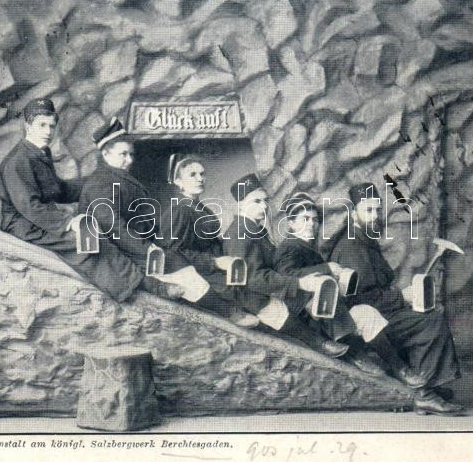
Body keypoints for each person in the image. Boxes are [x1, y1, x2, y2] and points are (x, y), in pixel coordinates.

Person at [0, 98, 179, 302]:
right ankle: (147, 286)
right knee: (88, 242)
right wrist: (67, 223)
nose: (48, 131)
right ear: (27, 126)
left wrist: (97, 179)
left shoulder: (39, 154)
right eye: (41, 125)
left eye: (51, 125)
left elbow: (58, 191)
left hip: (38, 220)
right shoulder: (18, 161)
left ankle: (141, 278)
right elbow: (30, 208)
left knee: (98, 231)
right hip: (22, 225)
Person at [328, 182, 464, 416]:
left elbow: (377, 287)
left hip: (380, 310)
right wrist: (402, 297)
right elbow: (362, 300)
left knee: (427, 315)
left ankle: (429, 384)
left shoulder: (364, 240)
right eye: (368, 210)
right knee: (428, 322)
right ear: (353, 214)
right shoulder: (351, 247)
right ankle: (424, 394)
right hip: (364, 323)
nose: (374, 216)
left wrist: (401, 298)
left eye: (377, 210)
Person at [222, 174, 350, 357]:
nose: (264, 206)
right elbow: (252, 279)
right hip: (252, 296)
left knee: (320, 294)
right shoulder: (238, 234)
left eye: (265, 200)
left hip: (268, 287)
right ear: (241, 204)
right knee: (291, 307)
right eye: (256, 201)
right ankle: (321, 343)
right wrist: (298, 283)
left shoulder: (255, 230)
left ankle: (344, 339)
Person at [273, 192, 390, 378]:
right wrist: (327, 268)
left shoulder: (307, 246)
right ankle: (354, 355)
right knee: (359, 316)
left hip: (323, 306)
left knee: (365, 313)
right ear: (291, 223)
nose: (311, 224)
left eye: (314, 219)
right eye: (305, 219)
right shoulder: (289, 247)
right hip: (306, 311)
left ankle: (386, 363)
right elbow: (287, 276)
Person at [76, 118, 183, 299]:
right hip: (114, 247)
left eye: (131, 154)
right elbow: (112, 225)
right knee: (181, 277)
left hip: (135, 242)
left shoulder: (117, 177)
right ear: (105, 154)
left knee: (182, 263)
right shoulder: (101, 182)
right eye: (123, 154)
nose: (129, 160)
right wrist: (144, 248)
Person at [155, 154, 259, 328]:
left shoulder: (203, 208)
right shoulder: (178, 211)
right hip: (193, 268)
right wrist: (215, 262)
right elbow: (173, 253)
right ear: (178, 181)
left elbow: (212, 242)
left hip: (211, 264)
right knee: (237, 291)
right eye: (192, 175)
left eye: (202, 174)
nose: (200, 179)